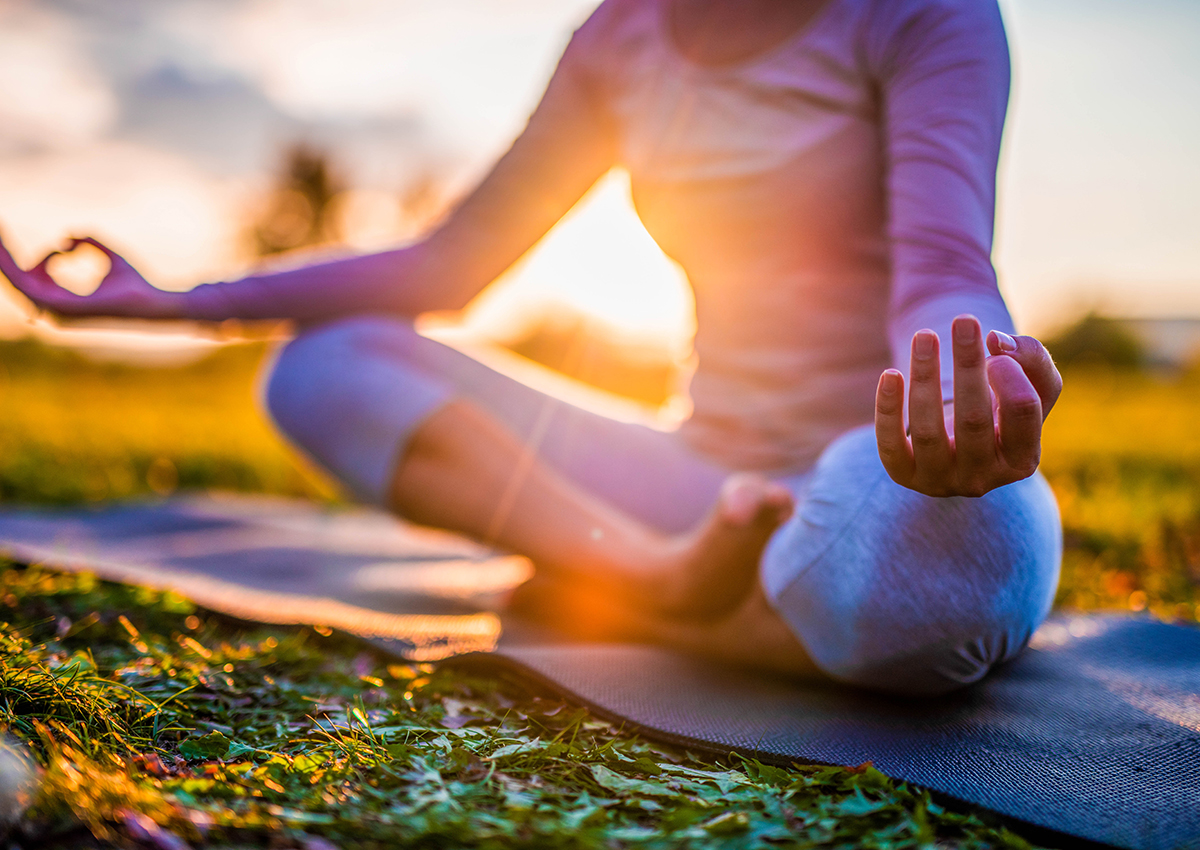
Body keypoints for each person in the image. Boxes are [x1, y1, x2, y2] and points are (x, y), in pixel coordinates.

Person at [0, 0, 1063, 696]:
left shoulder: (925, 14)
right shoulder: (621, 39)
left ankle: (645, 591)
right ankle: (659, 581)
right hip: (692, 486)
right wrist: (171, 301)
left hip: (875, 478)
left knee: (956, 577)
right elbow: (446, 267)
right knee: (323, 366)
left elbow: (942, 271)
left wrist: (962, 391)